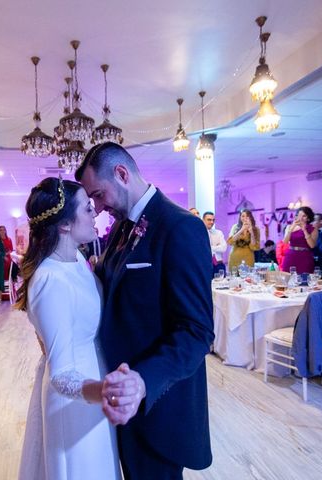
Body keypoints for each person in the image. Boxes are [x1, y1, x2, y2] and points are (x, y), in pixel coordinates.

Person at [77, 142, 214, 479]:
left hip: (156, 402)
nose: (96, 206)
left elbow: (196, 331)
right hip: (120, 397)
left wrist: (143, 381)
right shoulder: (120, 229)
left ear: (122, 174)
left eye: (98, 194)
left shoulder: (180, 227)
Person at [16, 177, 121, 480]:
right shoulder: (50, 280)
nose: (95, 213)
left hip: (95, 379)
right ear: (64, 225)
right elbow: (61, 374)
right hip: (76, 400)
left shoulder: (75, 258)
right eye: (87, 209)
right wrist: (101, 390)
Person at [282, 206, 318, 274]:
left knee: (304, 279)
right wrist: (291, 230)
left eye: (304, 216)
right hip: (291, 255)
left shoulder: (313, 229)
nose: (301, 218)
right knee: (288, 278)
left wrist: (304, 230)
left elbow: (312, 245)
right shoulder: (289, 227)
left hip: (304, 256)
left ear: (308, 218)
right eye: (299, 215)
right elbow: (285, 242)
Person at [202, 211, 227, 277]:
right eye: (209, 220)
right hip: (204, 266)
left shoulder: (218, 233)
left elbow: (224, 248)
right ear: (203, 220)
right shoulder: (199, 234)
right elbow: (202, 249)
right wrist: (217, 246)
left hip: (219, 265)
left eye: (213, 220)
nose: (212, 222)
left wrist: (210, 247)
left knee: (222, 286)